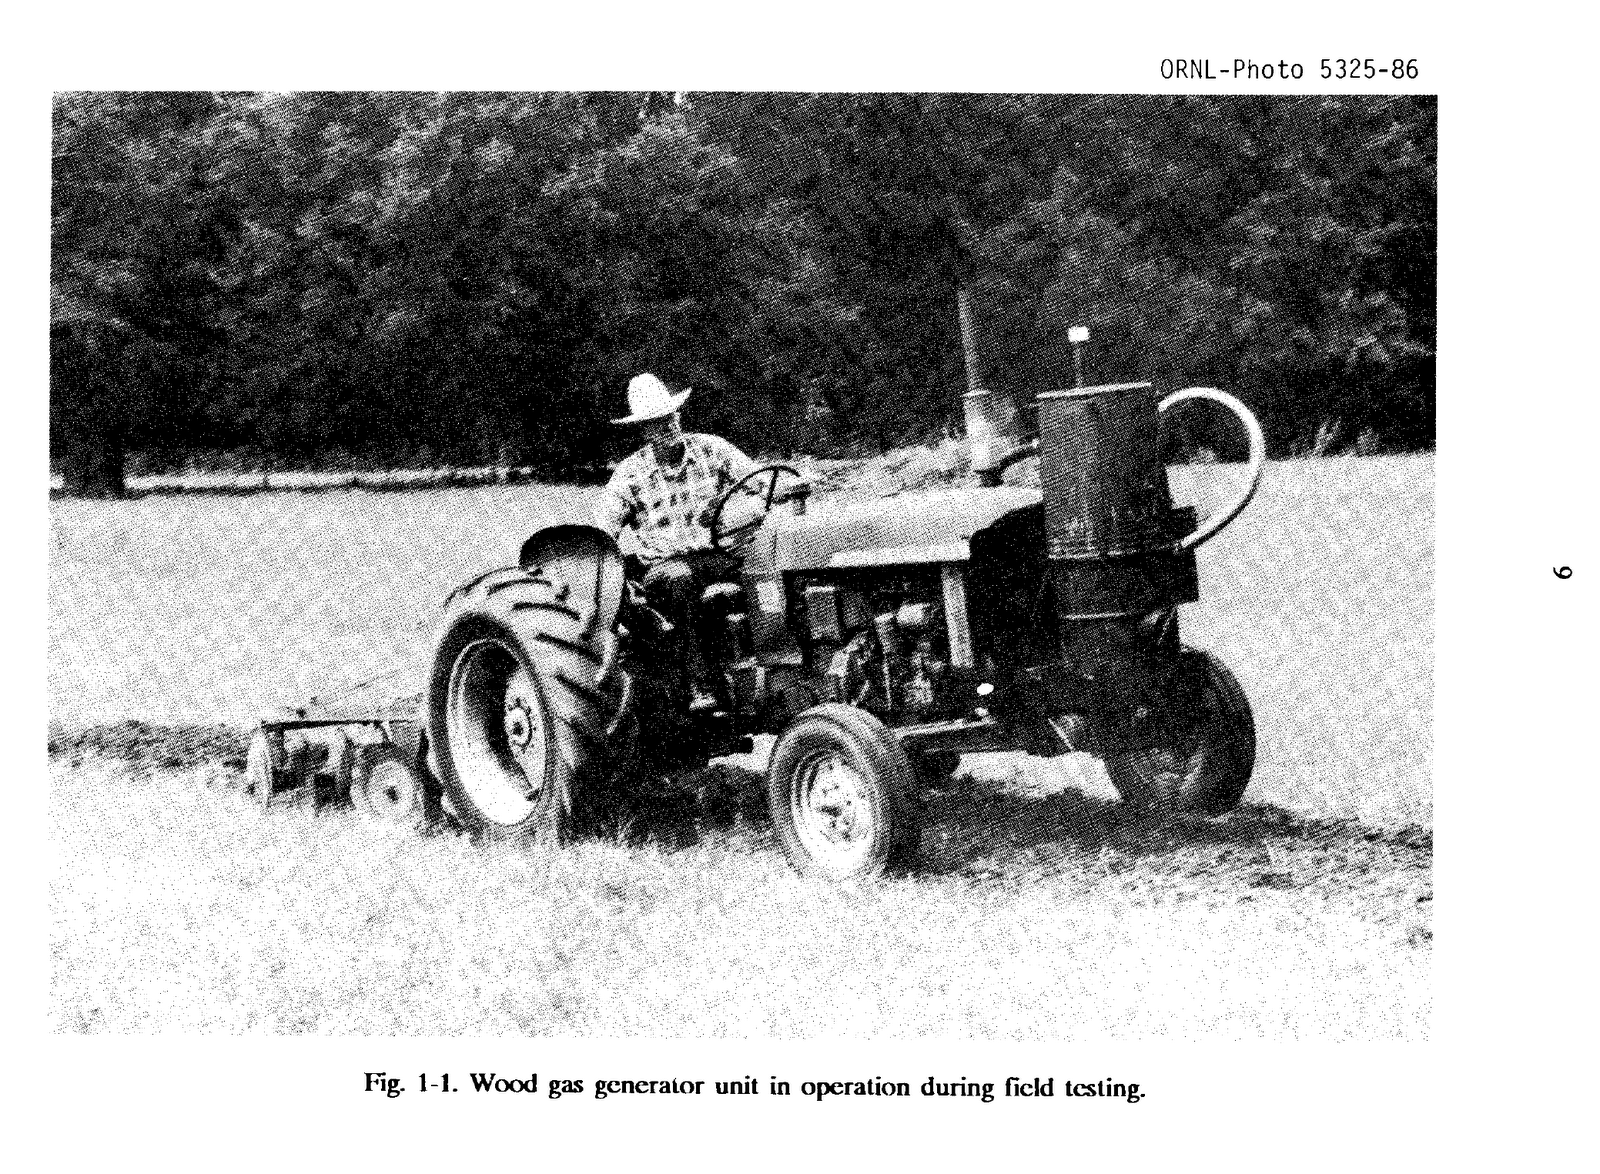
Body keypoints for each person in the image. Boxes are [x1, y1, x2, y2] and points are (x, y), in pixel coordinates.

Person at [592, 373, 766, 710]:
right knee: (681, 581)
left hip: (715, 553)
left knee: (768, 561)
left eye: (669, 418)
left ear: (678, 416)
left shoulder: (711, 449)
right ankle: (698, 686)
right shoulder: (630, 474)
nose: (666, 428)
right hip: (661, 566)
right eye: (655, 424)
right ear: (643, 431)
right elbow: (604, 535)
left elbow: (757, 479)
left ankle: (775, 663)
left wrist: (790, 486)